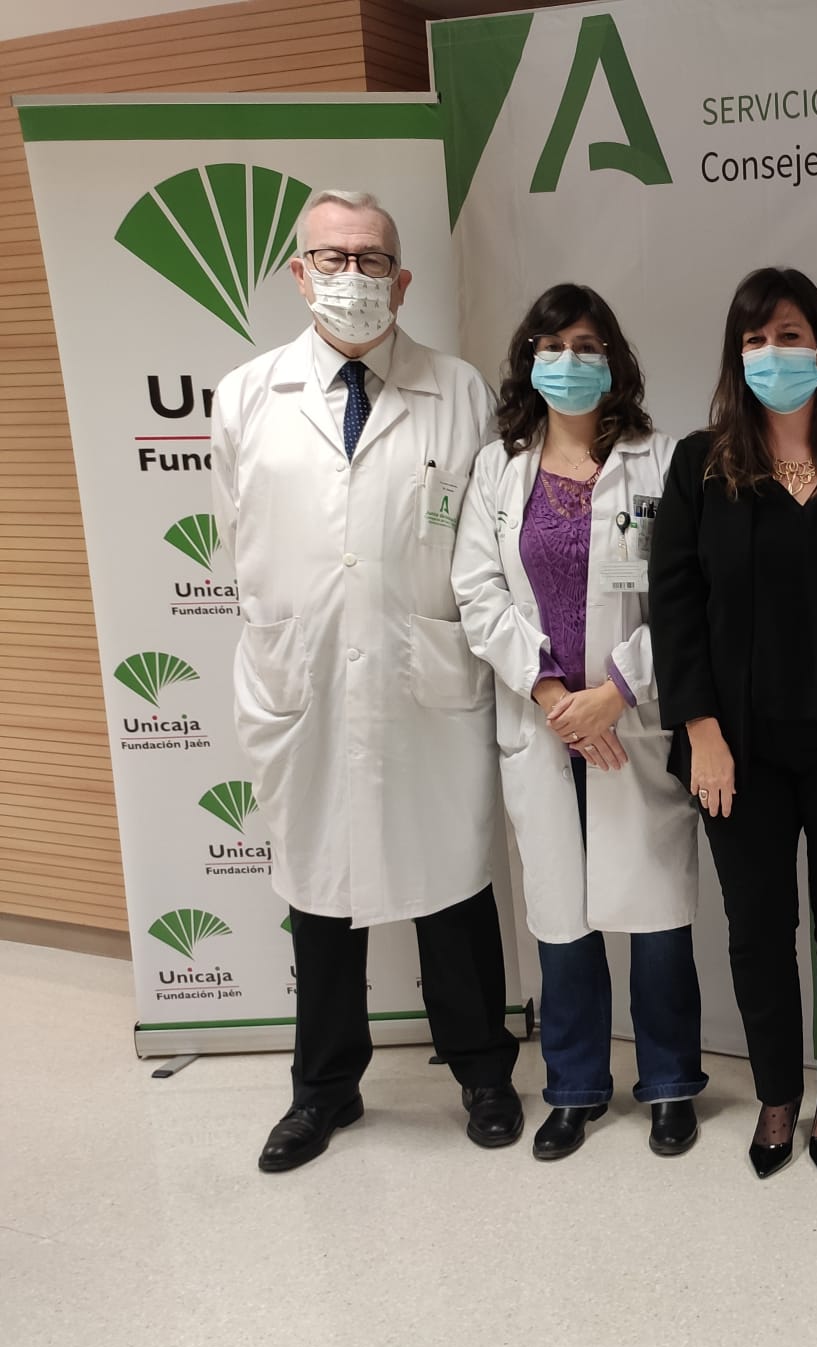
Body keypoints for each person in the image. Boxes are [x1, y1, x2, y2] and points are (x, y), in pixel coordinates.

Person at [212, 188, 522, 1171]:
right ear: (299, 274)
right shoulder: (247, 395)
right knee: (320, 891)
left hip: (424, 673)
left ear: (403, 278)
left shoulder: (459, 389)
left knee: (452, 887)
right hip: (303, 677)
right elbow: (241, 538)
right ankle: (323, 1088)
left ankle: (480, 1070)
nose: (353, 278)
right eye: (332, 259)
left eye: (371, 259)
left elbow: (482, 545)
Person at [650, 267, 817, 1179]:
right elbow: (674, 608)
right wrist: (702, 729)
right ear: (736, 355)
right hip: (738, 751)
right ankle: (776, 1096)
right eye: (755, 340)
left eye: (790, 335)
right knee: (759, 930)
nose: (773, 354)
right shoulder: (701, 464)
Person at [454, 284, 706, 1162]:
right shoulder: (499, 469)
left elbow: (684, 597)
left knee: (657, 912)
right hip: (544, 720)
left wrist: (618, 690)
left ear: (615, 361)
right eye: (552, 344)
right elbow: (477, 590)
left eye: (587, 343)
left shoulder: (661, 460)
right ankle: (574, 1087)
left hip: (630, 720)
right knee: (561, 917)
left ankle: (672, 1081)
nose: (569, 360)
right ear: (529, 358)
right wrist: (552, 693)